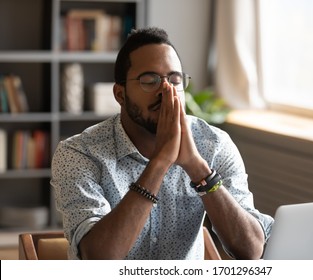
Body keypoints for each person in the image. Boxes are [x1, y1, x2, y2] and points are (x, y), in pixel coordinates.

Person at [51, 27, 274, 260]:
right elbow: (99, 260)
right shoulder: (79, 153)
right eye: (150, 80)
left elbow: (251, 251)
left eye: (175, 80)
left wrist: (197, 167)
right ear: (120, 94)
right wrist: (160, 163)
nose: (166, 90)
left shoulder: (213, 144)